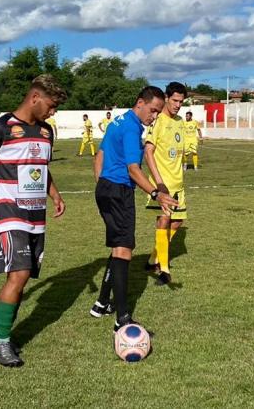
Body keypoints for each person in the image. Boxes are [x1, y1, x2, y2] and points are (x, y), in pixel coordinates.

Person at [0, 74, 68, 368]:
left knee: (22, 277)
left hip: (36, 216)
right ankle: (1, 342)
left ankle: (2, 336)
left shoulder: (46, 132)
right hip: (7, 213)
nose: (53, 112)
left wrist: (55, 195)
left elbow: (41, 169)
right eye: (52, 105)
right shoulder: (0, 128)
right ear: (35, 97)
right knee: (18, 275)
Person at [89, 86, 176, 332]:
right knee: (125, 250)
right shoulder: (131, 127)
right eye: (153, 111)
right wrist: (156, 194)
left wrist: (102, 184)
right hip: (118, 191)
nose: (154, 117)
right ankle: (122, 317)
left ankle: (102, 303)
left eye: (158, 113)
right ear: (140, 102)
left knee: (119, 245)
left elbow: (101, 154)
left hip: (106, 189)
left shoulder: (117, 121)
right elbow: (133, 169)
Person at [143, 82, 189, 286]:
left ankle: (153, 258)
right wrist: (159, 183)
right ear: (167, 98)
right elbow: (148, 152)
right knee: (163, 221)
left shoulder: (180, 122)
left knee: (177, 223)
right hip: (162, 184)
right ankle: (164, 269)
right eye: (175, 100)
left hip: (178, 183)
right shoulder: (158, 121)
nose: (178, 105)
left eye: (181, 101)